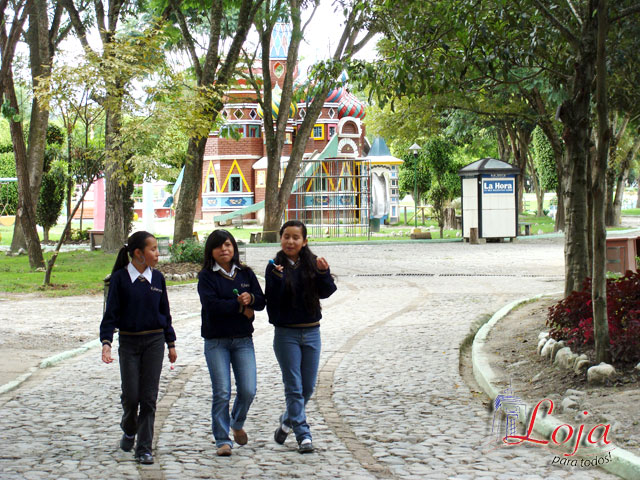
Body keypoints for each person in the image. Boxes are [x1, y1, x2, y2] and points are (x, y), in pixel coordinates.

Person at [100, 231, 177, 465]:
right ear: (138, 253)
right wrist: (106, 343)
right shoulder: (120, 280)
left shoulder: (158, 279)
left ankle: (144, 448)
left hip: (154, 342)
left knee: (149, 397)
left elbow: (165, 313)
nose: (157, 253)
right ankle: (129, 427)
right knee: (132, 396)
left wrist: (170, 343)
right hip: (129, 343)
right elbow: (110, 314)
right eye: (153, 249)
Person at [266, 220, 337, 454]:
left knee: (307, 387)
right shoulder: (274, 266)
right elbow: (272, 303)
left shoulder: (312, 263)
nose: (290, 241)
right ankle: (303, 434)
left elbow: (326, 292)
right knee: (294, 387)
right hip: (286, 334)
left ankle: (287, 420)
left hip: (312, 331)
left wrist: (324, 273)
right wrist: (277, 279)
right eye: (287, 236)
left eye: (296, 237)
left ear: (304, 241)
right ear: (281, 238)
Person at [198, 229, 265, 456]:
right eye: (218, 246)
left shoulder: (245, 273)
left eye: (227, 245)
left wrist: (251, 299)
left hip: (243, 340)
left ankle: (237, 422)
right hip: (216, 341)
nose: (224, 249)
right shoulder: (207, 276)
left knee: (248, 389)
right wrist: (239, 307)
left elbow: (262, 301)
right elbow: (211, 306)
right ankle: (222, 439)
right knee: (222, 392)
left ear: (234, 248)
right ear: (211, 251)